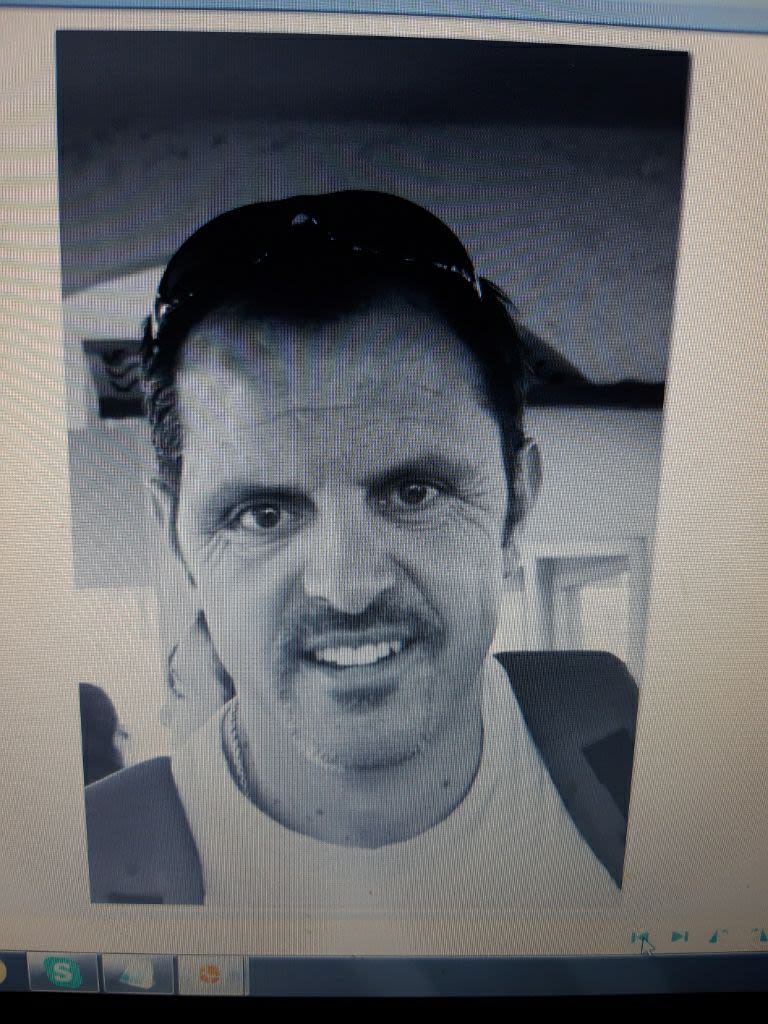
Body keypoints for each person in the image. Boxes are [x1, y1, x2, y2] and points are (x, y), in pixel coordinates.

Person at [85, 191, 637, 921]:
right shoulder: (86, 861)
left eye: (415, 492)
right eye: (263, 514)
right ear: (176, 537)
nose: (348, 588)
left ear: (515, 508)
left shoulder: (647, 753)